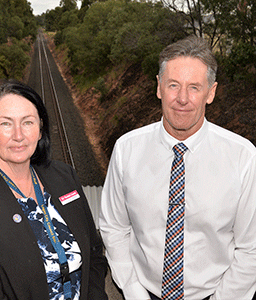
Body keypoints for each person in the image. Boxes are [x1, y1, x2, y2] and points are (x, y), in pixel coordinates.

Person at [99, 35, 256, 300]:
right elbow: (114, 228)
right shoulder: (127, 150)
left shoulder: (243, 157)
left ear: (211, 92)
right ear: (159, 87)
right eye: (173, 85)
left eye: (194, 87)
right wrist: (135, 292)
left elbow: (251, 248)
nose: (182, 99)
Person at [0, 79, 108, 300]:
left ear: (40, 130)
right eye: (6, 124)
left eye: (27, 122)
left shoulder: (64, 176)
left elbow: (94, 254)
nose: (18, 135)